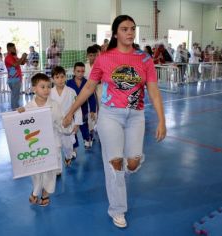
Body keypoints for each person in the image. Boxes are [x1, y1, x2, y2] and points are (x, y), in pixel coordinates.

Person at [62, 15, 166, 228]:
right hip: (110, 115)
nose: (130, 32)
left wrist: (162, 121)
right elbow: (89, 87)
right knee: (115, 164)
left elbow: (154, 92)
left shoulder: (144, 60)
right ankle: (118, 210)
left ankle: (129, 162)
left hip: (135, 116)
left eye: (132, 29)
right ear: (116, 33)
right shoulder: (105, 58)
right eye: (125, 29)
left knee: (133, 163)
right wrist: (71, 110)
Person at [17, 73, 62, 206]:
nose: (46, 89)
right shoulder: (28, 108)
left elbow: (60, 123)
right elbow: (21, 126)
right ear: (34, 89)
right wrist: (19, 114)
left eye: (49, 86)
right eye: (42, 87)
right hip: (35, 144)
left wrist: (66, 124)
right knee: (36, 170)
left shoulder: (55, 105)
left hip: (52, 142)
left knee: (50, 170)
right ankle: (36, 190)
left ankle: (45, 193)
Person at [50, 66, 82, 167]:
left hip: (68, 124)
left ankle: (68, 156)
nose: (60, 80)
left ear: (66, 77)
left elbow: (77, 107)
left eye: (62, 77)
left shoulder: (71, 91)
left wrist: (77, 124)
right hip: (54, 124)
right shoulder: (49, 92)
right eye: (57, 77)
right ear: (52, 79)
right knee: (56, 147)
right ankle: (58, 169)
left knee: (68, 147)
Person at [66, 62, 96, 152]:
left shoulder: (87, 83)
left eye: (82, 71)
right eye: (78, 71)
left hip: (84, 110)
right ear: (74, 72)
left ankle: (87, 139)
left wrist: (93, 110)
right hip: (72, 110)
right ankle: (74, 148)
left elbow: (91, 97)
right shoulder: (69, 83)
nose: (80, 73)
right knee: (72, 129)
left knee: (84, 126)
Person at [4, 42, 27, 110]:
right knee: (15, 96)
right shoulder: (8, 57)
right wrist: (22, 57)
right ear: (9, 49)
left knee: (16, 96)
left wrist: (24, 58)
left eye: (15, 48)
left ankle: (15, 109)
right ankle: (15, 110)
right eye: (13, 48)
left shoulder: (14, 56)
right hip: (14, 80)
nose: (15, 49)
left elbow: (21, 63)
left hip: (17, 79)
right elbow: (15, 64)